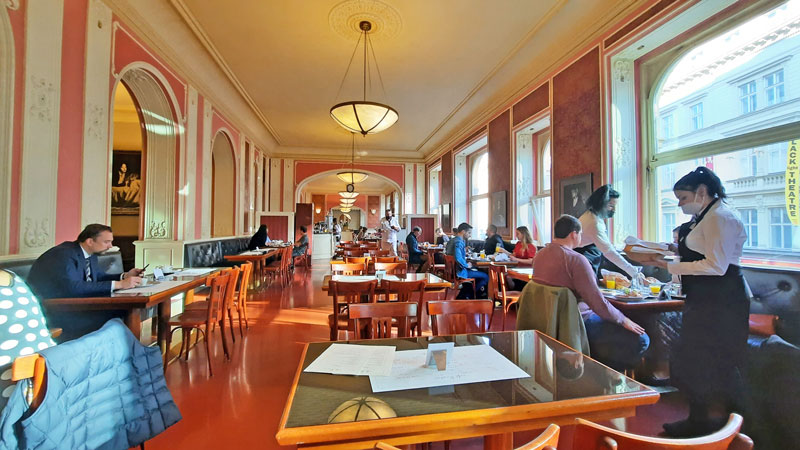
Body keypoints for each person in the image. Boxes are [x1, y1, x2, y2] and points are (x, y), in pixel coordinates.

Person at [642, 167, 749, 438]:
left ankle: (727, 424)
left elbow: (716, 266)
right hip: (705, 296)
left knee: (714, 359)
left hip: (722, 298)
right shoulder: (708, 216)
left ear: (702, 191)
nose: (679, 204)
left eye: (682, 197)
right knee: (693, 358)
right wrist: (669, 255)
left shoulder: (720, 217)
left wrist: (670, 264)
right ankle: (699, 420)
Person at [532, 215, 649, 372]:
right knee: (641, 339)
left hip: (548, 321)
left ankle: (602, 371)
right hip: (578, 322)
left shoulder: (539, 256)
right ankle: (609, 374)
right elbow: (597, 302)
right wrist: (623, 320)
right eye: (580, 234)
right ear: (574, 234)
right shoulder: (576, 260)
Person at [27, 224, 144, 340]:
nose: (110, 246)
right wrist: (120, 284)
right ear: (90, 241)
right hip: (56, 310)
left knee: (125, 310)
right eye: (106, 242)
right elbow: (73, 287)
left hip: (77, 304)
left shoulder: (90, 254)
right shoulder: (64, 254)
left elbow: (98, 277)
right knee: (123, 311)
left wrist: (124, 276)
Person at [575, 184, 640, 281]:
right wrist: (635, 273)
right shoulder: (594, 222)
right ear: (600, 204)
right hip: (584, 262)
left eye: (615, 206)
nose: (614, 210)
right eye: (610, 206)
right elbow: (609, 252)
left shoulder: (591, 215)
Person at [445, 222, 489, 298]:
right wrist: (466, 265)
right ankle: (471, 295)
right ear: (463, 232)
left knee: (477, 271)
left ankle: (466, 294)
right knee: (485, 276)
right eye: (469, 233)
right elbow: (458, 258)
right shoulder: (459, 242)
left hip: (452, 271)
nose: (470, 235)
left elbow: (452, 254)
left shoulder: (452, 240)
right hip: (460, 271)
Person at [497, 226, 537, 291]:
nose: (516, 236)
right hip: (517, 268)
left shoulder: (531, 246)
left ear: (523, 234)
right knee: (504, 275)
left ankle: (515, 292)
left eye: (518, 234)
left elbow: (531, 261)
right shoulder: (518, 244)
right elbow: (513, 255)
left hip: (526, 270)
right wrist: (504, 251)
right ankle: (510, 292)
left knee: (508, 276)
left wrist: (516, 259)